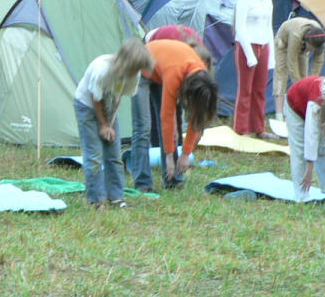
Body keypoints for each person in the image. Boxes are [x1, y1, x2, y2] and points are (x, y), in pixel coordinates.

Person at [73, 40, 154, 209]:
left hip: (109, 107)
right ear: (125, 62)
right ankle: (96, 200)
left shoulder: (134, 74)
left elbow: (118, 97)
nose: (136, 72)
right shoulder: (102, 70)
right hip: (87, 106)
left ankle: (116, 198)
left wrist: (110, 123)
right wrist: (103, 125)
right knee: (94, 155)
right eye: (134, 68)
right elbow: (95, 98)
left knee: (114, 155)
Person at [130, 38, 218, 191]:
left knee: (174, 129)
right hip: (142, 66)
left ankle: (173, 181)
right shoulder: (175, 74)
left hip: (162, 68)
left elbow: (196, 118)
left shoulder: (203, 78)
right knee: (143, 127)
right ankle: (143, 183)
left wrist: (186, 154)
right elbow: (166, 117)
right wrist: (169, 156)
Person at [232, 0, 273, 137]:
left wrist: (271, 56)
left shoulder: (268, 0)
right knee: (245, 89)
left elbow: (269, 27)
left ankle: (259, 128)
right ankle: (242, 129)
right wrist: (249, 55)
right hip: (247, 46)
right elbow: (240, 28)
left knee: (260, 89)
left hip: (264, 45)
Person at [272, 17, 325, 115]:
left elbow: (318, 62)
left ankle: (302, 111)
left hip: (303, 48)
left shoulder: (320, 40)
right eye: (312, 48)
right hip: (283, 43)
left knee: (304, 77)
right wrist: (299, 85)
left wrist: (312, 82)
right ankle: (279, 114)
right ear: (308, 41)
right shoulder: (296, 35)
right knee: (281, 74)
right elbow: (292, 62)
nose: (313, 51)